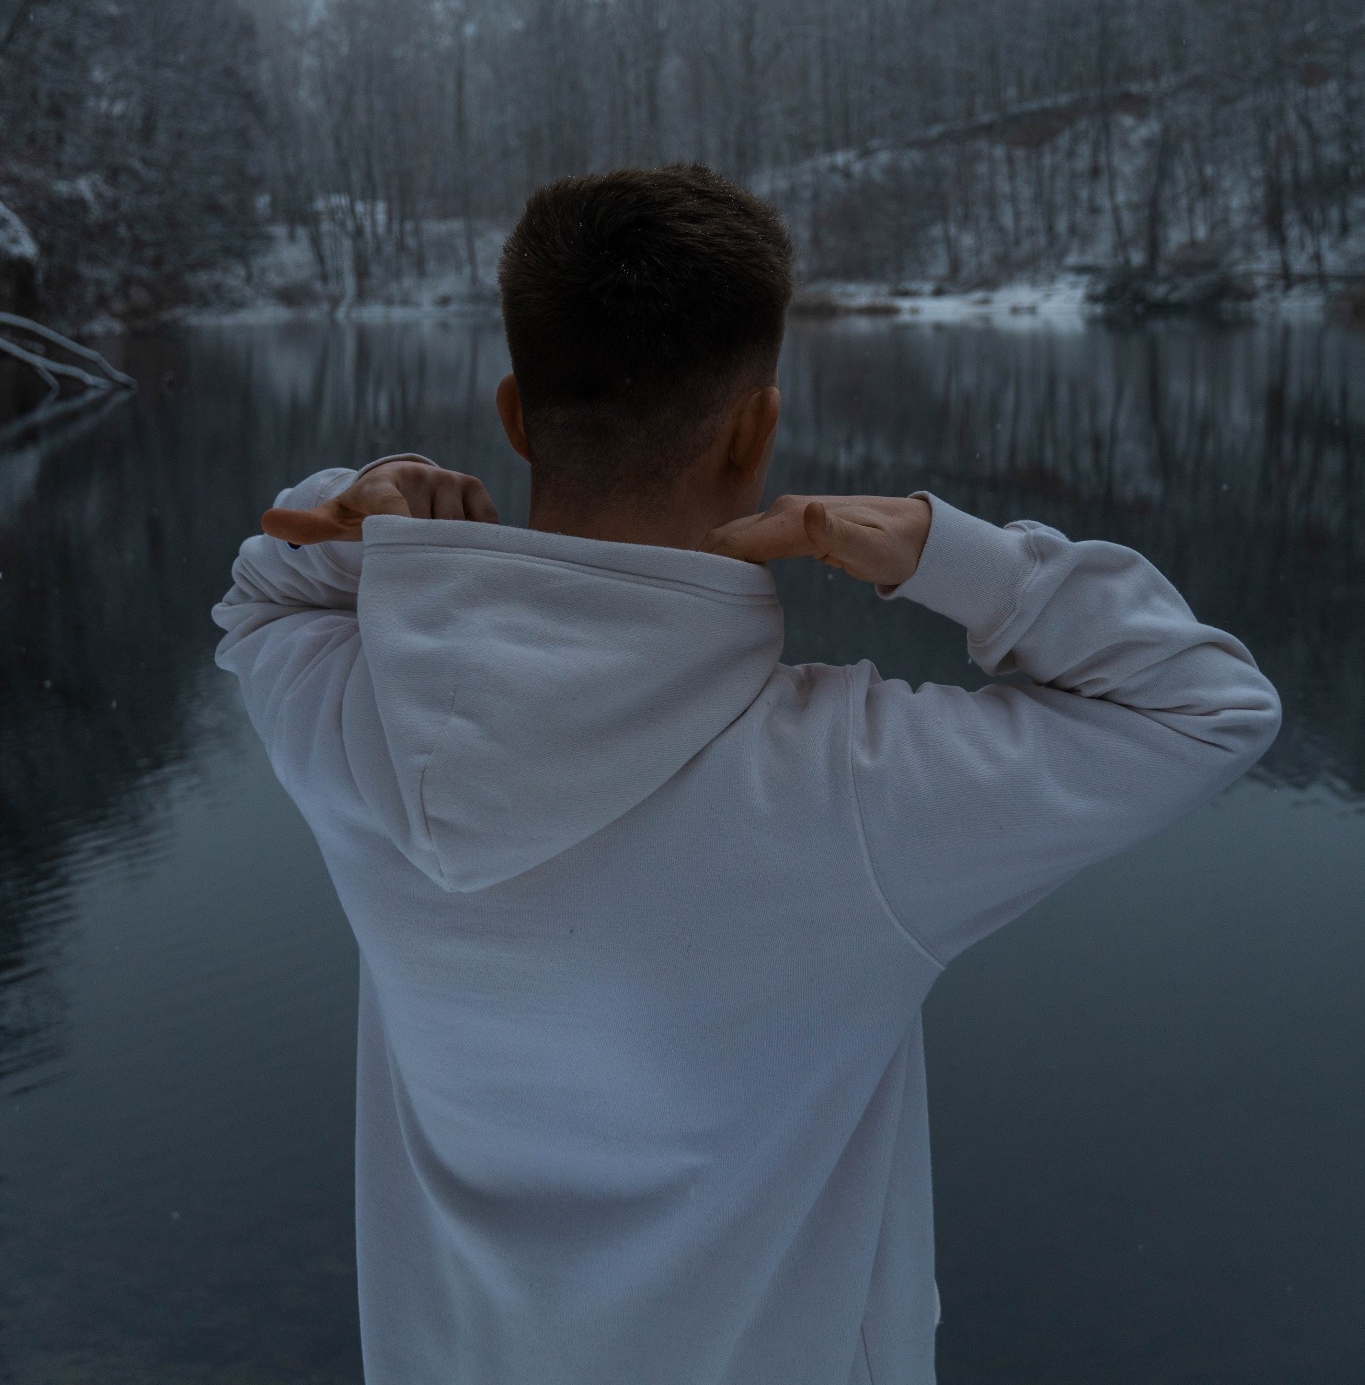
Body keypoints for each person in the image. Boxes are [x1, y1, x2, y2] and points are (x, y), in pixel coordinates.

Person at [212, 163, 1280, 1385]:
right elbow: (1209, 706)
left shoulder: (354, 726)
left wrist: (369, 509)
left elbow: (263, 591)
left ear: (514, 411)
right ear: (756, 425)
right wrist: (956, 555)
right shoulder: (854, 787)